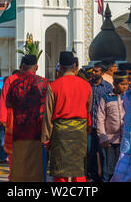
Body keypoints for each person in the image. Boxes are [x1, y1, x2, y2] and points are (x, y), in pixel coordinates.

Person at [42, 51, 92, 182]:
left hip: (60, 132)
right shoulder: (86, 86)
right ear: (74, 66)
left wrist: (46, 138)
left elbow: (48, 115)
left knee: (61, 171)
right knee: (79, 169)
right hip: (79, 131)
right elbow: (89, 110)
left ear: (60, 67)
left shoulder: (53, 86)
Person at [6, 54, 49, 182]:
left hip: (20, 131)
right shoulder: (44, 83)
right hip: (38, 131)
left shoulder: (15, 84)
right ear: (36, 67)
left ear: (23, 66)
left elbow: (8, 104)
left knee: (20, 168)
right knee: (37, 170)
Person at [96, 71, 128, 180]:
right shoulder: (106, 98)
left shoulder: (128, 97)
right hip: (109, 141)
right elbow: (100, 118)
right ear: (115, 84)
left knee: (124, 168)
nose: (125, 87)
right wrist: (103, 136)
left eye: (126, 84)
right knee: (110, 169)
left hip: (125, 140)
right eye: (122, 84)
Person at [88, 61, 113, 182]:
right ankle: (94, 177)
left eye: (96, 71)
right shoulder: (87, 86)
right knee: (90, 153)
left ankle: (105, 178)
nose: (93, 72)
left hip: (103, 127)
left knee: (103, 154)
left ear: (102, 73)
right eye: (93, 70)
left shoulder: (108, 87)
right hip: (90, 126)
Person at [0, 67, 23, 174]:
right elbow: (4, 99)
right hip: (13, 119)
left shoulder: (37, 80)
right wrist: (3, 119)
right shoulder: (11, 79)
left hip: (28, 122)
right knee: (13, 150)